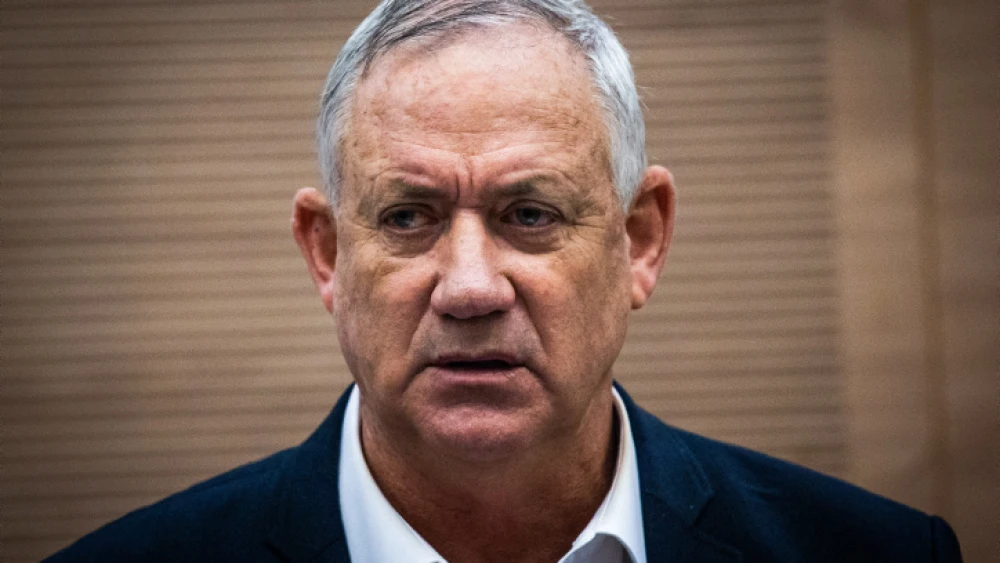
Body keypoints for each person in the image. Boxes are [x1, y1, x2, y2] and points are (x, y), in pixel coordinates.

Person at [45, 1, 963, 562]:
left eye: (531, 214)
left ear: (639, 240)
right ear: (327, 254)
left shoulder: (875, 553)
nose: (472, 287)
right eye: (408, 217)